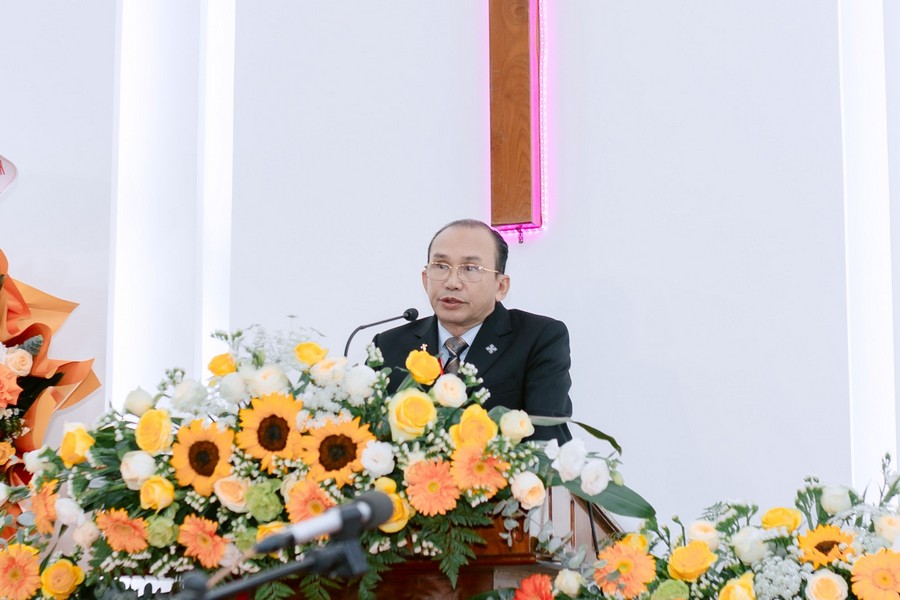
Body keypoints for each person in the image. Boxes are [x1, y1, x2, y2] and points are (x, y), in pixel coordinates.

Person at [373, 219, 572, 442]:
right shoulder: (388, 345)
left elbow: (548, 440)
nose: (452, 283)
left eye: (470, 269)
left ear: (501, 286)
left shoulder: (539, 338)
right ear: (425, 279)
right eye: (441, 266)